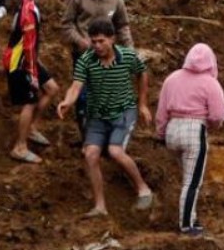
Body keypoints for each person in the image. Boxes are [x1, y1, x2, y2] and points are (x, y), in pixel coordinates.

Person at [56, 19, 154, 218]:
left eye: (101, 41)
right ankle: (100, 206)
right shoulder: (86, 60)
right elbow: (76, 85)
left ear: (112, 39)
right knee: (90, 154)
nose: (97, 46)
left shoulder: (127, 56)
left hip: (123, 111)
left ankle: (143, 189)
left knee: (115, 151)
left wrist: (142, 104)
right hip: (98, 115)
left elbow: (142, 73)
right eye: (94, 42)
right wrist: (68, 101)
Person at [156, 43, 224, 236]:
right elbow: (218, 114)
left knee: (186, 176)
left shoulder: (172, 79)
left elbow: (161, 112)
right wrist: (212, 127)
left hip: (172, 130)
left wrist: (161, 134)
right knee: (192, 181)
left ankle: (190, 215)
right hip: (194, 130)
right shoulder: (209, 83)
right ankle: (187, 224)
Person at [6, 0, 59, 164]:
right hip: (19, 62)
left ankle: (32, 128)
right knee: (29, 101)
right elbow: (27, 44)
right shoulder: (28, 12)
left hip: (27, 58)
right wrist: (32, 72)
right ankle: (20, 146)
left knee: (52, 88)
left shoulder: (30, 5)